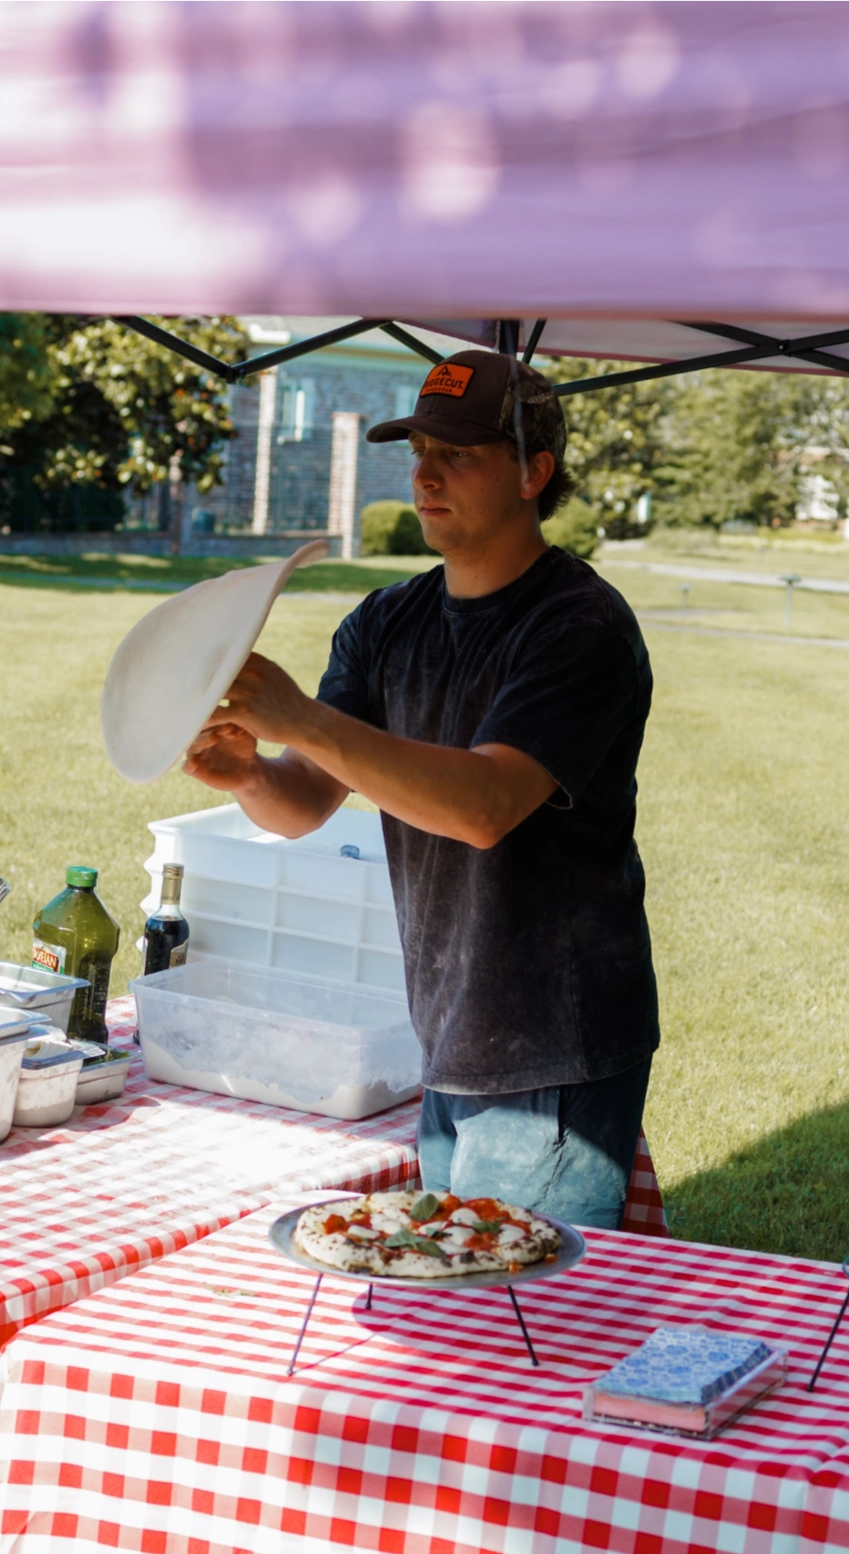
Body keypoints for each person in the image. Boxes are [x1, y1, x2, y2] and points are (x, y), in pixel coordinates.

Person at [184, 348, 658, 1228]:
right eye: (419, 450)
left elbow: (484, 806)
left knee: (524, 1318)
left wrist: (303, 717)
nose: (426, 473)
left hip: (552, 1042)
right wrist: (248, 771)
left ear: (534, 473)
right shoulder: (385, 620)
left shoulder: (580, 627)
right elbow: (305, 802)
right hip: (449, 1030)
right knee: (460, 1295)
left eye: (461, 453)